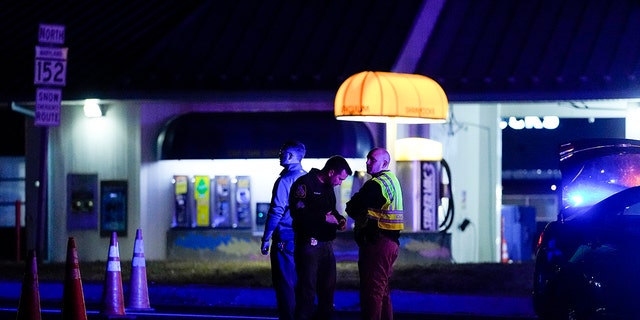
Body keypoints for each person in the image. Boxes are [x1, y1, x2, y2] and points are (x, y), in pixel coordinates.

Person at [289, 155, 352, 320]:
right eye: (340, 178)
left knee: (328, 291)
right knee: (307, 291)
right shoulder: (305, 184)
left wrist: (339, 219)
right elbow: (298, 213)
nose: (340, 182)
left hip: (326, 245)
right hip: (309, 245)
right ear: (331, 172)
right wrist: (324, 218)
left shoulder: (329, 187)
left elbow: (330, 211)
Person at [346, 148, 404, 320]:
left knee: (372, 293)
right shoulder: (392, 180)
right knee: (382, 292)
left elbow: (352, 207)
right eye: (367, 159)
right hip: (390, 243)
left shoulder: (376, 185)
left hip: (378, 242)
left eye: (372, 159)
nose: (368, 162)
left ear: (384, 163)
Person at [260, 140, 307, 320]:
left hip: (285, 238)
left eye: (282, 152)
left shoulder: (285, 181)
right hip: (303, 238)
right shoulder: (307, 179)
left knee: (285, 283)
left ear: (291, 156)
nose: (279, 154)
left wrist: (266, 238)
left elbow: (276, 211)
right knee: (301, 282)